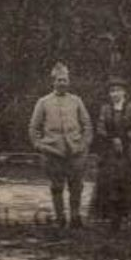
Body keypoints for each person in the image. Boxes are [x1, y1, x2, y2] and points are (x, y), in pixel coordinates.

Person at [27, 62, 93, 228]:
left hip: (76, 152)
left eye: (64, 80)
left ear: (69, 81)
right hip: (53, 152)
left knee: (76, 186)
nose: (62, 83)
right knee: (56, 186)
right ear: (53, 82)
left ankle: (76, 217)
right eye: (58, 80)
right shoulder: (43, 102)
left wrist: (83, 145)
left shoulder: (76, 101)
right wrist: (40, 145)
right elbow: (34, 128)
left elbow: (87, 125)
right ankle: (60, 218)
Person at [90, 76, 131, 230]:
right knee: (110, 184)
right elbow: (100, 127)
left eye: (118, 90)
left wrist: (124, 139)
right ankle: (113, 219)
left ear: (124, 92)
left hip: (128, 153)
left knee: (128, 184)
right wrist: (113, 139)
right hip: (110, 152)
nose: (114, 94)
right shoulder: (105, 109)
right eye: (112, 91)